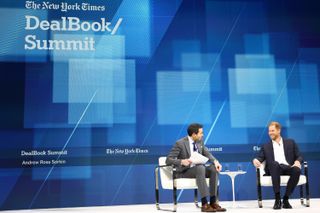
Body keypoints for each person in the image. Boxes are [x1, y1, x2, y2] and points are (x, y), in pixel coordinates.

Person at [166, 123, 226, 212]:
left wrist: (215, 162)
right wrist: (182, 161)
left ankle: (213, 202)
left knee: (213, 168)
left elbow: (207, 153)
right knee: (200, 167)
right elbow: (168, 160)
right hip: (185, 171)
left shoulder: (199, 141)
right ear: (194, 134)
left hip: (199, 170)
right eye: (201, 133)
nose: (203, 135)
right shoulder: (180, 143)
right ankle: (205, 204)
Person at [252, 121, 303, 210]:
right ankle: (277, 198)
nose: (270, 133)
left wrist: (298, 161)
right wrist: (255, 160)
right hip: (274, 168)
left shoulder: (290, 142)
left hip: (287, 167)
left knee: (297, 170)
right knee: (275, 164)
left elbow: (299, 156)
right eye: (269, 131)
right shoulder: (266, 146)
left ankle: (286, 199)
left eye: (272, 131)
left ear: (278, 130)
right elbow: (260, 158)